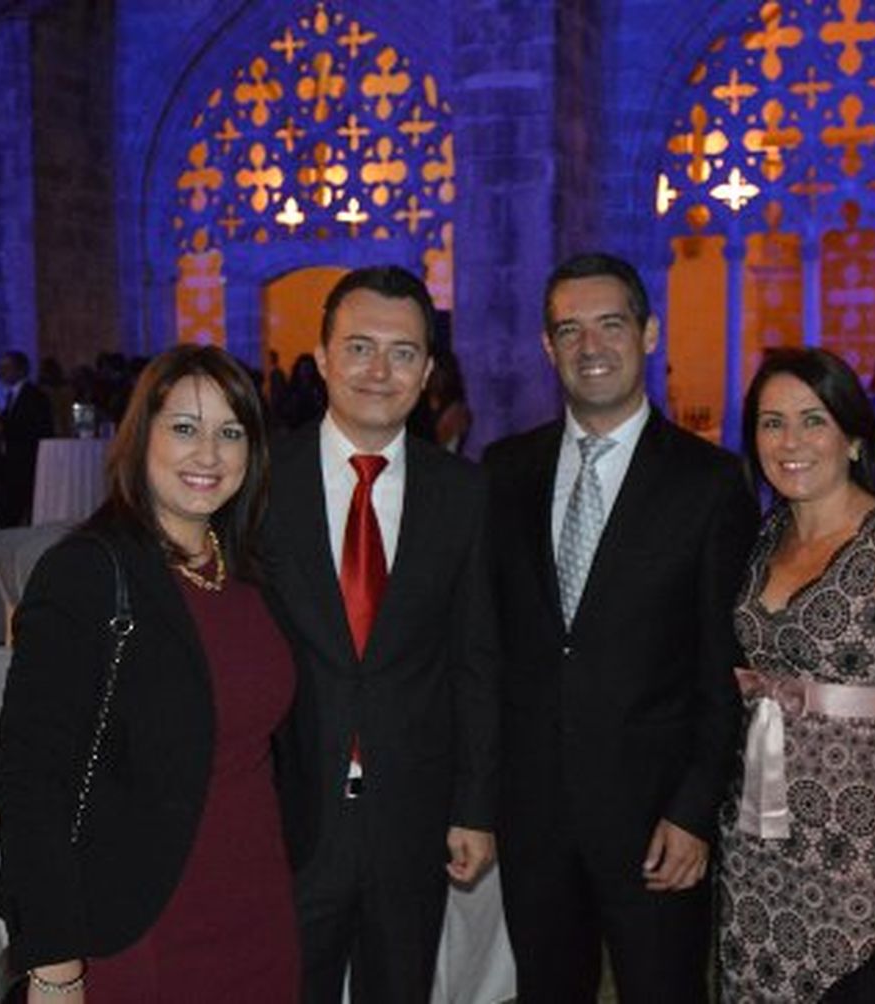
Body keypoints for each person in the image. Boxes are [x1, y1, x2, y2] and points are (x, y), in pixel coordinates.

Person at [484, 252, 758, 1002]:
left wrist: (695, 811)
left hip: (656, 826)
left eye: (610, 324)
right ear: (547, 347)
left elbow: (722, 666)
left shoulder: (709, 484)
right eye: (568, 330)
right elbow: (490, 649)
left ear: (649, 333)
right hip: (534, 818)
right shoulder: (504, 471)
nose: (590, 346)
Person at [0, 344, 301, 1003]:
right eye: (184, 428)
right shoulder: (87, 574)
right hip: (142, 919)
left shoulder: (250, 568)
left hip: (261, 903)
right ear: (141, 437)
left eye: (230, 432)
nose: (208, 455)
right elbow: (30, 780)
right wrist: (55, 966)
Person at [263, 265, 498, 1003]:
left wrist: (475, 806)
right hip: (287, 813)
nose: (378, 370)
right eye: (359, 346)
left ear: (427, 370)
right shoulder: (262, 479)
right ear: (324, 355)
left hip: (413, 814)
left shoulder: (462, 494)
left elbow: (478, 661)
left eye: (403, 353)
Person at [719, 347, 875, 1001]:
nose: (790, 442)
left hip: (856, 852)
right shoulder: (766, 537)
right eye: (771, 423)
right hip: (755, 841)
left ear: (853, 438)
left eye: (811, 420)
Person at [0, 349, 55, 526]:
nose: (2, 372)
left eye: (7, 368)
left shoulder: (34, 396)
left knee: (22, 501)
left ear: (20, 370)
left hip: (27, 458)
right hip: (13, 459)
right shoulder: (11, 395)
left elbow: (40, 428)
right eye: (1, 368)